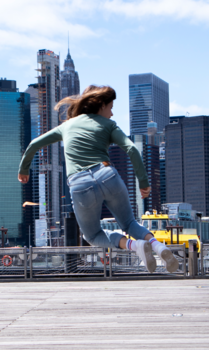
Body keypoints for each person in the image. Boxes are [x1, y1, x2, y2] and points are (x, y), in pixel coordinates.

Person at [18, 85, 178, 273]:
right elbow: (132, 149)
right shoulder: (109, 125)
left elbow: (34, 144)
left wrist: (24, 169)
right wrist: (143, 182)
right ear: (100, 105)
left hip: (80, 185)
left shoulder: (67, 125)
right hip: (107, 175)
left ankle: (135, 247)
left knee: (92, 235)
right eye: (110, 108)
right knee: (129, 223)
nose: (111, 114)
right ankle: (158, 246)